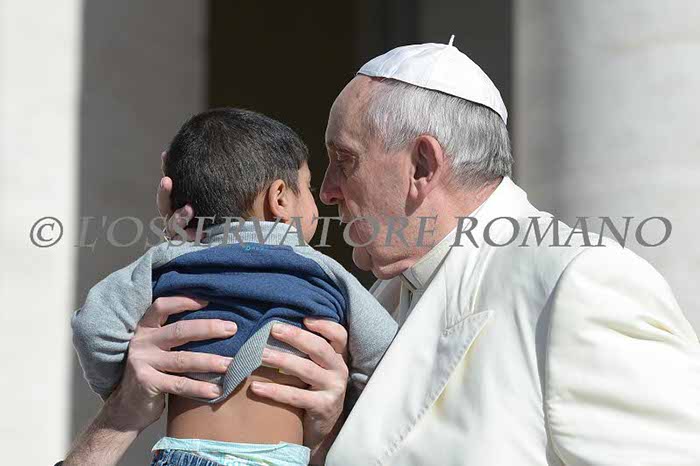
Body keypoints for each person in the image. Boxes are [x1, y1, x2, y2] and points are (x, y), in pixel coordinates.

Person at [64, 40, 700, 466]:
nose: (329, 193)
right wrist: (321, 440)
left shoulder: (576, 282)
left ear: (421, 165)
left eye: (343, 161)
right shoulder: (374, 298)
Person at [70, 108, 397, 466]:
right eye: (308, 188)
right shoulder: (322, 271)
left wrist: (121, 389)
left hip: (186, 456)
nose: (318, 200)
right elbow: (386, 355)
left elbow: (93, 329)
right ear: (279, 198)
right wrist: (346, 398)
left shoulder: (169, 261)